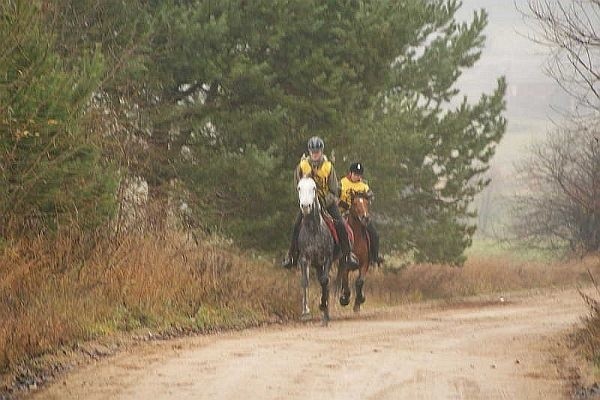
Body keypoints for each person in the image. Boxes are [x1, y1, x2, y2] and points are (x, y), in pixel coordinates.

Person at [282, 136, 359, 268]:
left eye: (317, 152)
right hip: (309, 203)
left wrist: (325, 200)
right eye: (313, 152)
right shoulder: (302, 166)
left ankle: (347, 255)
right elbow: (297, 185)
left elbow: (334, 189)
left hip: (326, 202)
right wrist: (305, 198)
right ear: (309, 152)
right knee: (296, 225)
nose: (315, 154)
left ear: (321, 152)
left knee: (340, 223)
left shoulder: (328, 167)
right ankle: (291, 256)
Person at [339, 162, 384, 266]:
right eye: (355, 174)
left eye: (359, 175)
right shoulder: (342, 183)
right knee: (336, 230)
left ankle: (374, 257)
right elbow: (335, 196)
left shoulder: (364, 186)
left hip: (361, 215)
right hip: (344, 213)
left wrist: (366, 199)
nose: (357, 177)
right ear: (350, 173)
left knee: (374, 234)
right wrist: (344, 204)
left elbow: (371, 197)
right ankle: (336, 254)